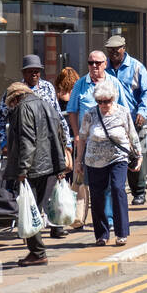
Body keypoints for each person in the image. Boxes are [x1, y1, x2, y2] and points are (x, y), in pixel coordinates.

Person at [3, 80, 69, 265]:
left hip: (33, 168)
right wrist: (60, 165)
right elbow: (59, 135)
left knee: (28, 210)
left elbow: (27, 139)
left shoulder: (23, 108)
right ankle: (37, 251)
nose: (12, 107)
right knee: (36, 209)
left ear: (16, 97)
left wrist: (22, 169)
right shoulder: (47, 105)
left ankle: (38, 253)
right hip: (49, 165)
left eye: (11, 103)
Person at [77, 80, 141, 246]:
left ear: (114, 98)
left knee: (118, 189)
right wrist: (79, 161)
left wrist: (138, 154)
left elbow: (132, 134)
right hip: (94, 161)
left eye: (107, 101)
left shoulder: (122, 112)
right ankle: (102, 235)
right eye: (100, 101)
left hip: (118, 157)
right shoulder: (90, 115)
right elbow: (82, 138)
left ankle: (121, 233)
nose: (103, 105)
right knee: (97, 197)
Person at [105, 35, 147, 205]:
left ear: (124, 48)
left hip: (133, 119)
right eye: (110, 50)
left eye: (116, 49)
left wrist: (143, 111)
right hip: (110, 120)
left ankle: (139, 191)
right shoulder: (104, 68)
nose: (113, 53)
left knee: (134, 154)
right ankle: (113, 192)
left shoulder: (136, 67)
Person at [0, 55, 72, 150]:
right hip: (22, 146)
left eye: (37, 71)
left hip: (47, 145)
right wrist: (3, 143)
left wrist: (67, 142)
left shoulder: (48, 88)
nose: (34, 74)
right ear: (23, 73)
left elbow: (58, 116)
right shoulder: (15, 91)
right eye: (30, 71)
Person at [55, 67, 87, 232]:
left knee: (62, 180)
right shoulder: (77, 96)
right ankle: (77, 217)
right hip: (76, 139)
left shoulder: (57, 97)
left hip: (62, 142)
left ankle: (62, 217)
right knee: (78, 179)